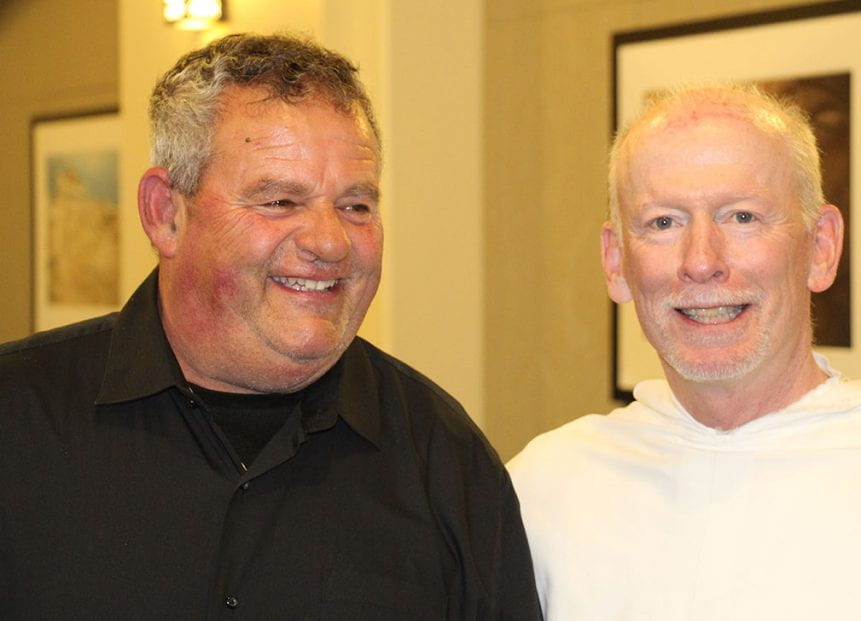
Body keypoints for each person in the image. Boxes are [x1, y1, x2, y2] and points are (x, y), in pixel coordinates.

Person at [0, 33, 540, 620]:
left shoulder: (444, 457)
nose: (329, 242)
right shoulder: (18, 421)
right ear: (165, 214)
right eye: (280, 201)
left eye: (356, 205)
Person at [508, 84, 861, 619]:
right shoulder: (540, 495)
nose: (702, 261)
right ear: (616, 263)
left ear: (821, 247)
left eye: (742, 217)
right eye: (663, 222)